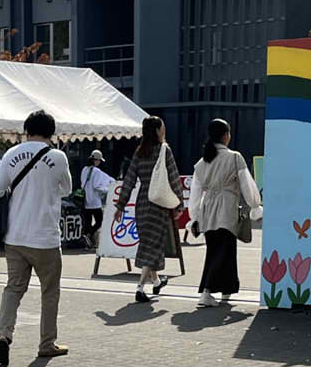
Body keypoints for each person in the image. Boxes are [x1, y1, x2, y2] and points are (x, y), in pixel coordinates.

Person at [0, 110, 72, 366]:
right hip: (45, 238)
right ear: (51, 132)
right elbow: (67, 189)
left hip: (15, 236)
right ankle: (46, 344)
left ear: (27, 129)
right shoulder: (58, 157)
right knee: (49, 292)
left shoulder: (12, 154)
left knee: (13, 288)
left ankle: (3, 334)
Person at [188, 118, 262, 308]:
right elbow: (247, 184)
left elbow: (195, 193)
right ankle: (207, 292)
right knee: (224, 250)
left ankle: (227, 290)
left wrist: (194, 217)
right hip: (227, 209)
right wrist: (255, 205)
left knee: (216, 250)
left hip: (207, 210)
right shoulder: (234, 157)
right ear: (226, 135)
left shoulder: (202, 161)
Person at [114, 116, 184, 303]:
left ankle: (156, 281)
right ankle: (140, 287)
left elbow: (129, 180)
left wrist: (121, 205)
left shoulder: (139, 152)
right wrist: (179, 203)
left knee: (147, 243)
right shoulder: (164, 150)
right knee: (152, 245)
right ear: (157, 131)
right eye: (162, 128)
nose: (164, 130)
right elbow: (174, 177)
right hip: (158, 205)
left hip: (142, 203)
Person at [79, 149, 113, 248]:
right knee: (100, 221)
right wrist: (107, 190)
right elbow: (96, 186)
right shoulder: (96, 171)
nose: (99, 162)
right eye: (99, 160)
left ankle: (87, 242)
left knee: (87, 222)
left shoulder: (84, 169)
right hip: (94, 202)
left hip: (85, 201)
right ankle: (89, 235)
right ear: (96, 160)